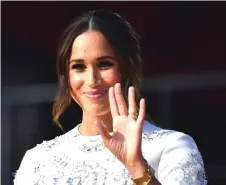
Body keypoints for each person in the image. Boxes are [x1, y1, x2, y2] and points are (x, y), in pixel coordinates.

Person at [14, 10, 207, 185]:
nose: (92, 80)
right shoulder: (38, 160)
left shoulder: (171, 148)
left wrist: (137, 167)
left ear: (127, 69)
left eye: (104, 64)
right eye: (78, 67)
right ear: (66, 76)